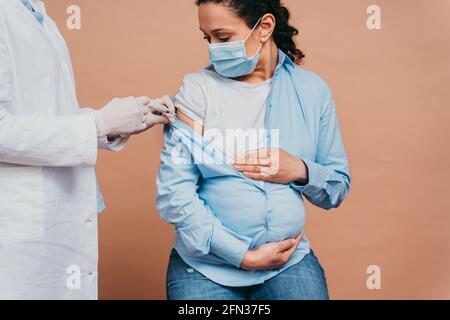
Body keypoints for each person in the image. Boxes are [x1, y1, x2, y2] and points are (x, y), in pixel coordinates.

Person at [156, 0, 351, 300]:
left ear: (264, 28)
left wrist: (298, 169)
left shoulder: (313, 92)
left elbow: (337, 186)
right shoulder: (197, 91)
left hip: (288, 262)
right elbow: (175, 194)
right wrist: (243, 256)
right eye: (207, 38)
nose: (213, 48)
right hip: (207, 266)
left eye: (223, 37)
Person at [0, 0, 174, 299]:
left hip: (54, 217)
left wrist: (118, 122)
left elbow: (48, 115)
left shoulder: (39, 16)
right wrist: (97, 123)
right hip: (19, 233)